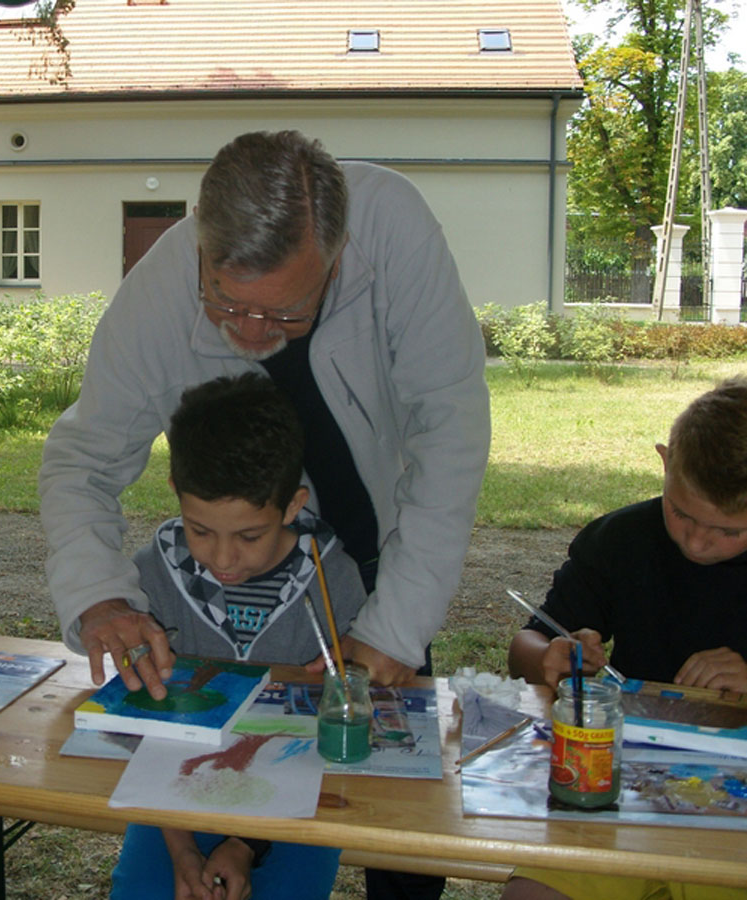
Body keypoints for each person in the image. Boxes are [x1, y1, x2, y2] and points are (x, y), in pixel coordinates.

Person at [40, 129, 489, 900]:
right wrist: (100, 597)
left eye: (284, 312)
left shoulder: (394, 233)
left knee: (399, 810)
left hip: (379, 538)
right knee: (256, 754)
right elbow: (82, 459)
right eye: (225, 301)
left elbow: (449, 437)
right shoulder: (160, 288)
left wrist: (392, 629)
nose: (249, 334)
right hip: (263, 539)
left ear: (336, 258)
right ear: (201, 248)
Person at [110, 372, 368, 900]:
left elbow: (338, 727)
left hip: (300, 800)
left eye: (249, 536)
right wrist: (183, 850)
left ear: (293, 505)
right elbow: (145, 727)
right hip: (171, 797)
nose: (223, 559)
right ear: (176, 493)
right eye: (200, 530)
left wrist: (245, 843)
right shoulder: (152, 574)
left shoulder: (333, 581)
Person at [503, 375, 747, 900]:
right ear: (665, 462)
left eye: (730, 531)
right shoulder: (621, 540)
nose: (698, 542)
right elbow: (526, 645)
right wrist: (551, 656)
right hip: (624, 785)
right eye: (681, 513)